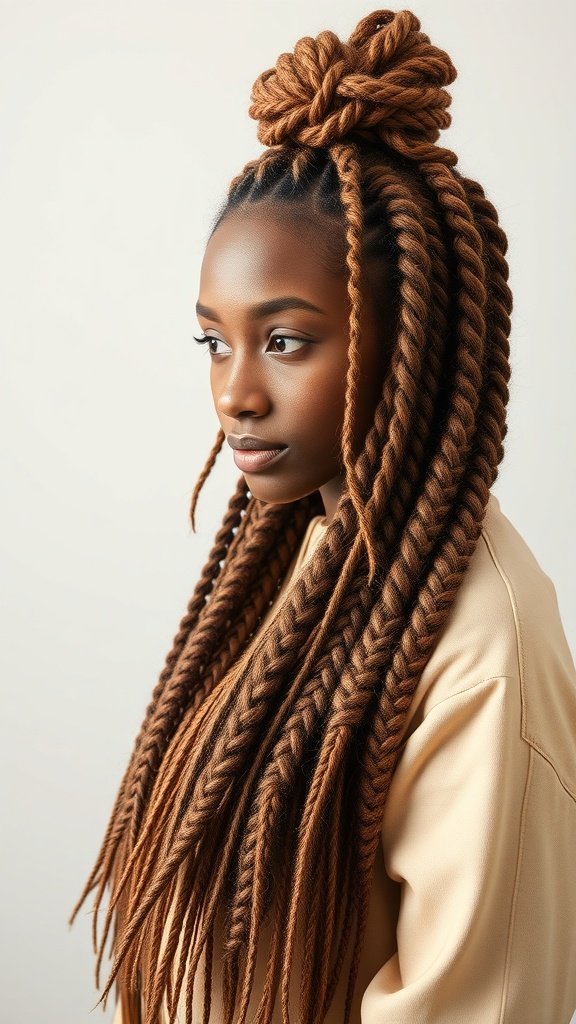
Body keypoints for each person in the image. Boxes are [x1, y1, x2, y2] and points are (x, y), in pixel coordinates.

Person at [68, 8, 576, 1023]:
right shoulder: (305, 555)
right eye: (213, 340)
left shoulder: (484, 647)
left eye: (287, 341)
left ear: (411, 343)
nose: (234, 394)